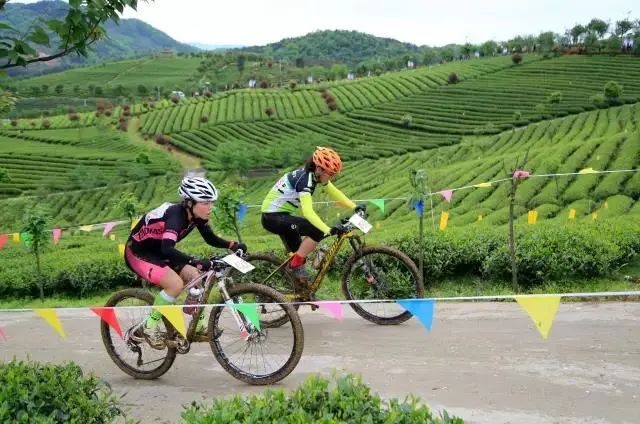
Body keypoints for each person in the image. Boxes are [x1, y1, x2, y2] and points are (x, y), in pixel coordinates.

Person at [125, 176, 246, 344]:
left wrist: (232, 245)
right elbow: (167, 249)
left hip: (160, 251)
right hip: (138, 252)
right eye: (205, 203)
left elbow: (209, 238)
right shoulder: (176, 216)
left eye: (211, 202)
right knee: (175, 285)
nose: (210, 207)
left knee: (195, 276)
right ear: (190, 203)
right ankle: (148, 328)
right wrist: (195, 261)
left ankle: (199, 326)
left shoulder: (196, 216)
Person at [261, 146, 365, 292]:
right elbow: (308, 212)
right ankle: (294, 266)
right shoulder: (305, 181)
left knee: (300, 256)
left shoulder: (313, 175)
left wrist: (354, 207)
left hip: (282, 216)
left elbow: (333, 191)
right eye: (330, 174)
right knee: (316, 231)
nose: (331, 177)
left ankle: (301, 292)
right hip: (273, 218)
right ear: (319, 169)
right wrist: (327, 230)